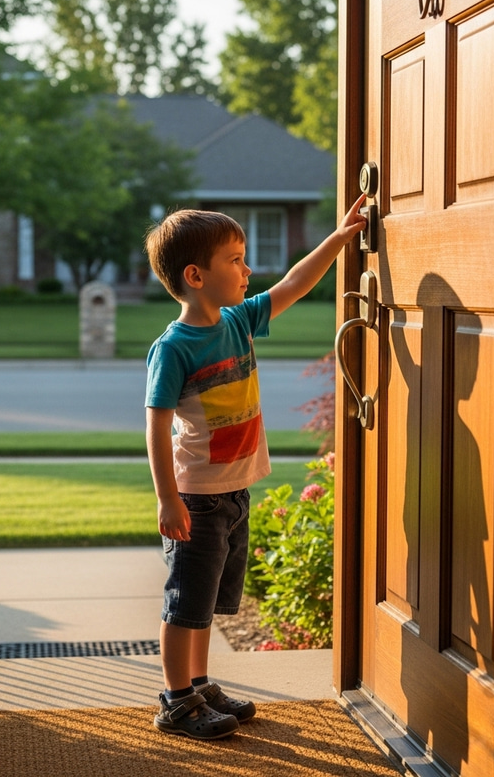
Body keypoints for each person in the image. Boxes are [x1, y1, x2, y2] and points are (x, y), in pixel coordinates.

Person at [143, 194, 367, 739]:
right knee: (185, 604)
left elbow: (291, 284)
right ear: (196, 275)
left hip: (234, 491)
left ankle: (196, 683)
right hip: (198, 497)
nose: (248, 271)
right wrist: (168, 498)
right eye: (235, 261)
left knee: (207, 601)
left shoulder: (239, 320)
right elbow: (156, 425)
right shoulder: (174, 348)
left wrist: (337, 242)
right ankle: (176, 702)